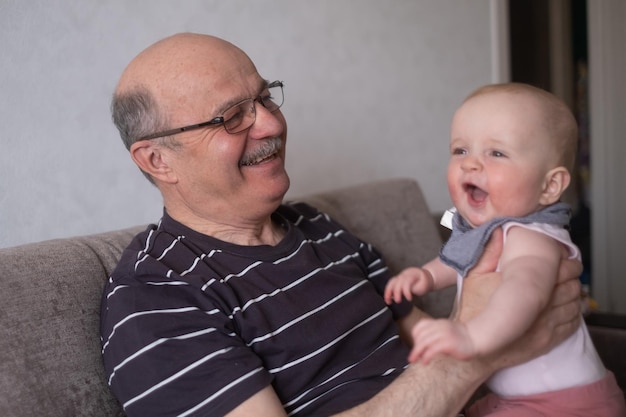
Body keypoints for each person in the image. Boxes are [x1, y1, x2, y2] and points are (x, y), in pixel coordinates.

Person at [100, 33, 583, 417]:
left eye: (265, 99)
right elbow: (459, 351)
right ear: (158, 160)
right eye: (232, 117)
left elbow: (420, 332)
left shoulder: (318, 228)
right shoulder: (156, 297)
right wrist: (477, 353)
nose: (270, 124)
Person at [384, 83, 625, 416]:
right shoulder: (484, 231)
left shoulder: (533, 237)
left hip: (564, 404)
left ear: (549, 186)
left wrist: (469, 338)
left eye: (496, 153)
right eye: (460, 150)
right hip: (519, 398)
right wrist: (424, 276)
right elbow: (459, 262)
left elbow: (523, 292)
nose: (471, 164)